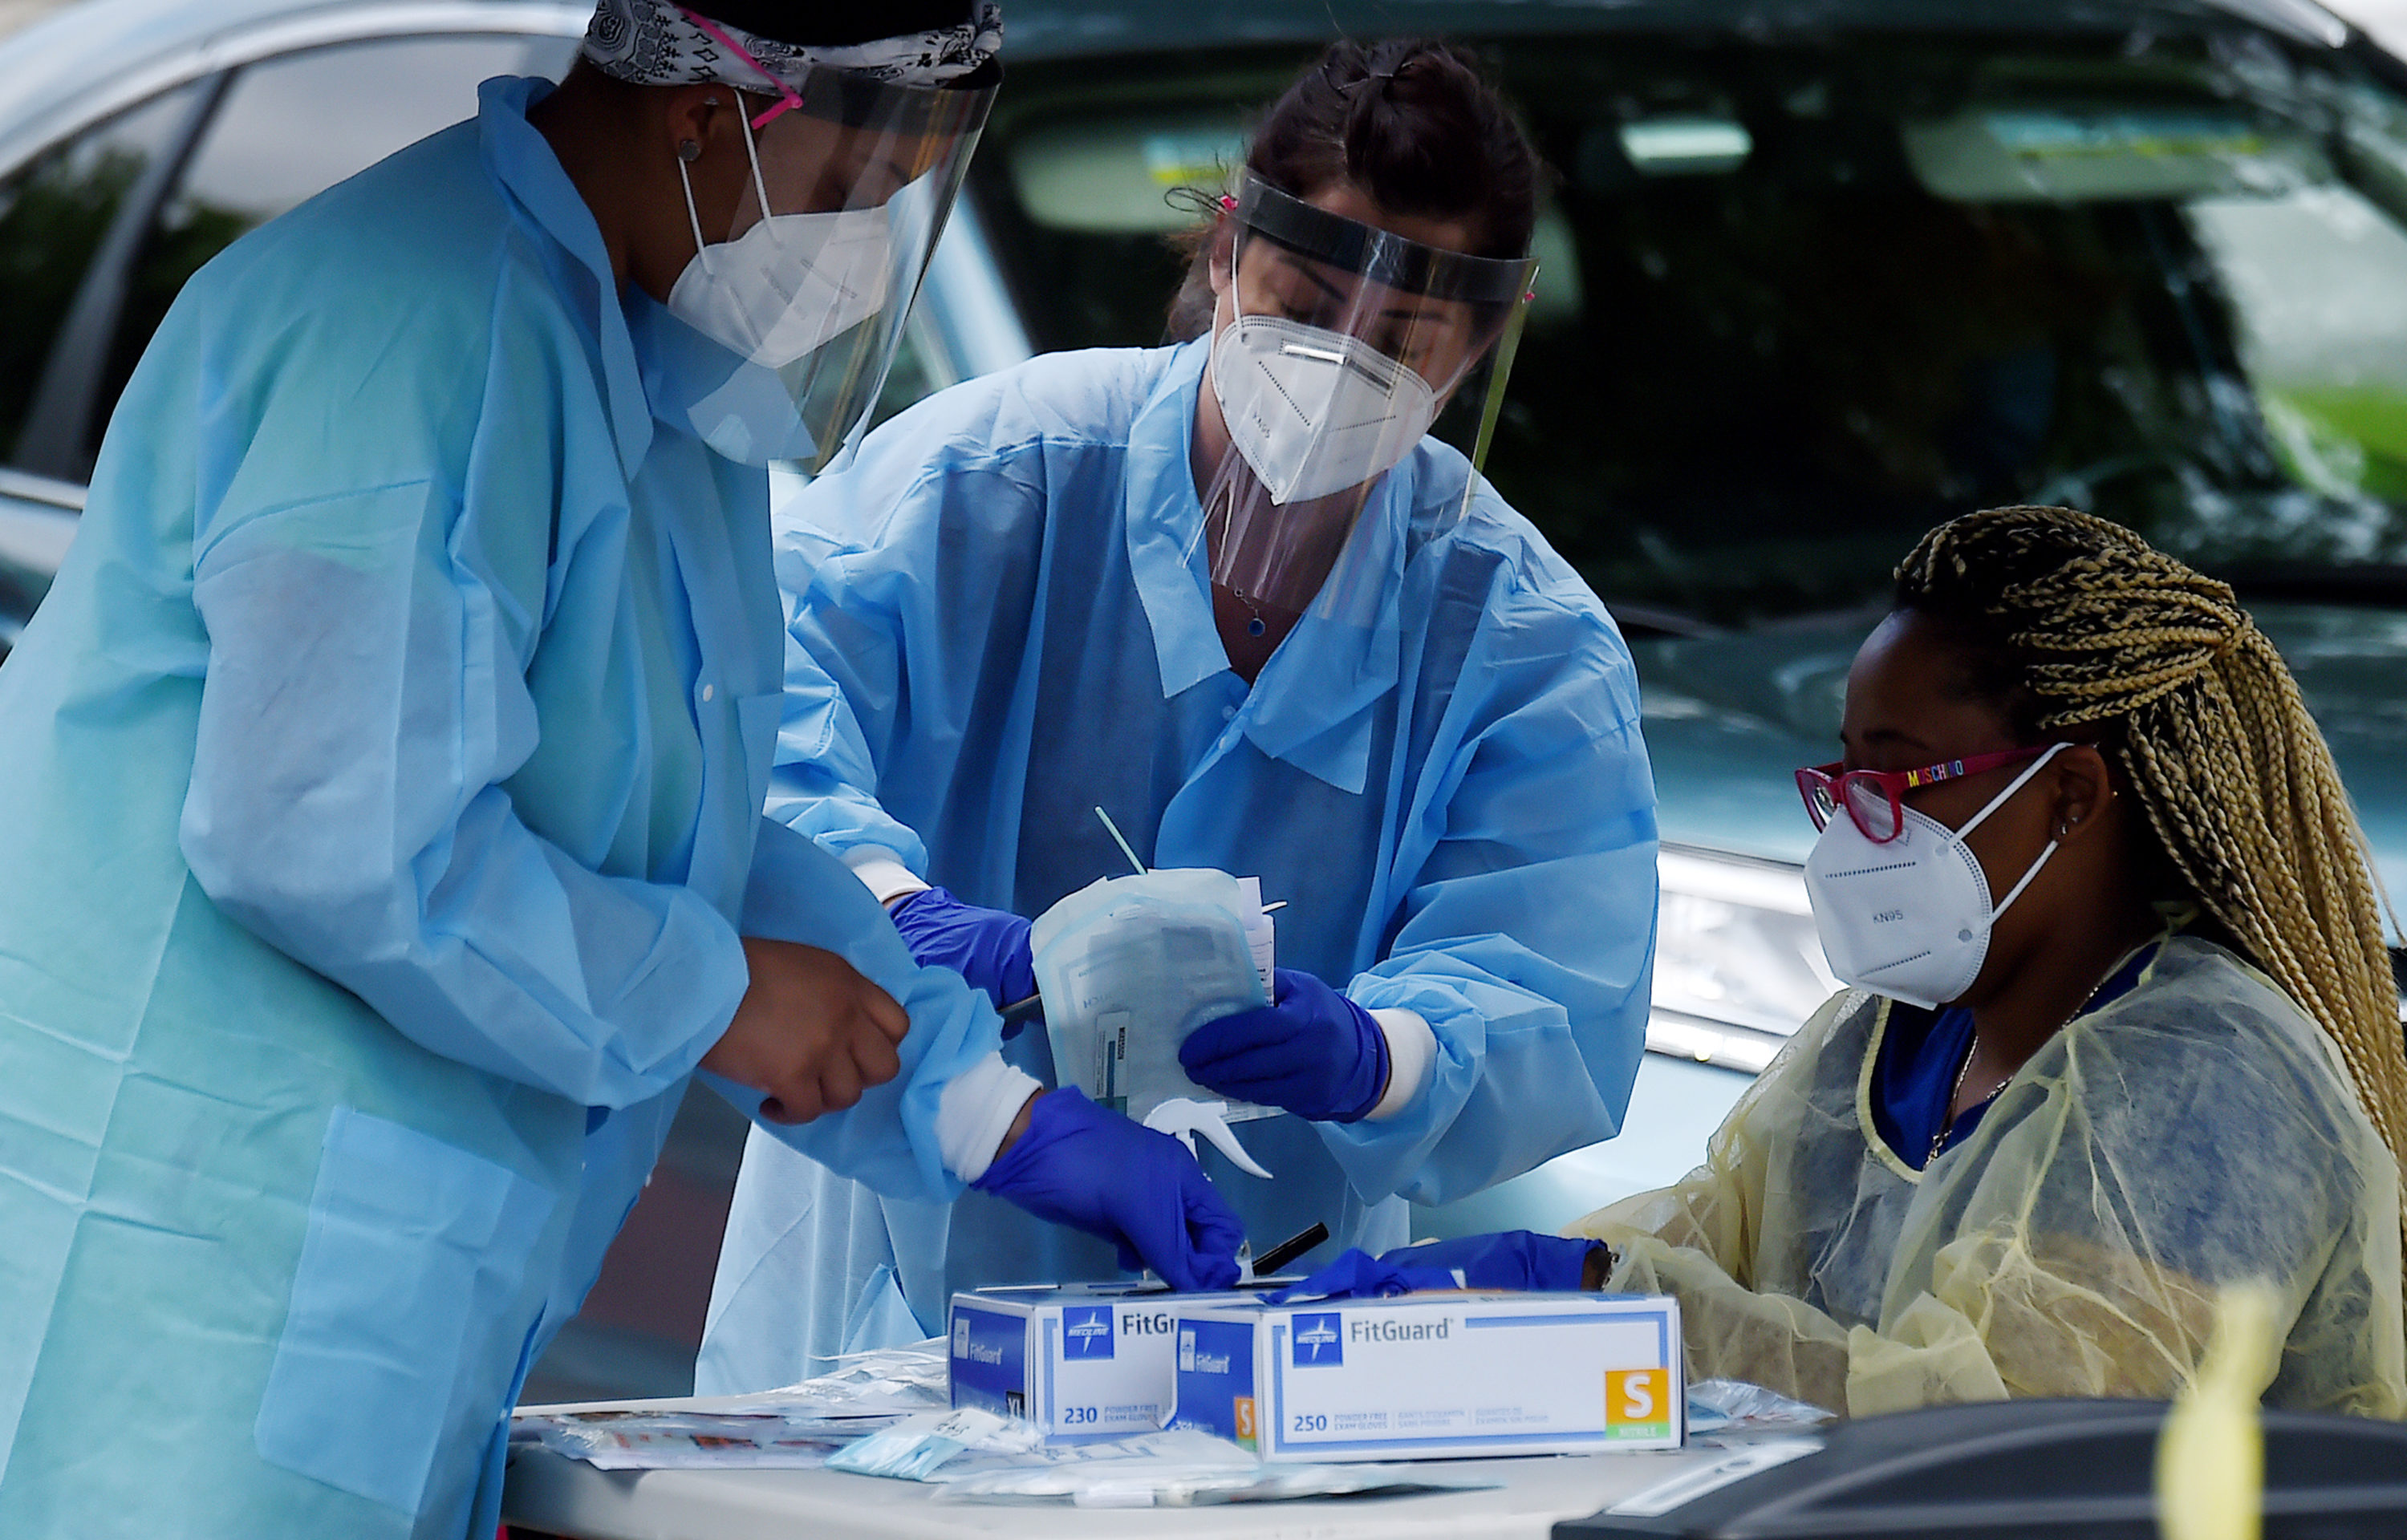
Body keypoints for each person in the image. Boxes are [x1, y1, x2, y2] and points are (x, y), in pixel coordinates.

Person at [0, 5, 1242, 1536]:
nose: (864, 248)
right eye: (857, 190)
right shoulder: (410, 322)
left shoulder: (662, 385)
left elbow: (682, 831)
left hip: (358, 1318)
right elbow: (328, 835)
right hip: (173, 1284)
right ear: (709, 117)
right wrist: (716, 992)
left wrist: (985, 1106)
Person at [696, 37, 1659, 1391]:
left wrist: (1378, 1057)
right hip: (896, 1288)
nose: (1339, 360)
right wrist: (890, 908)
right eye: (1304, 303)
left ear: (1486, 341)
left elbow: (1548, 985)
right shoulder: (987, 482)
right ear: (1226, 252)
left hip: (1267, 1324)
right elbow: (738, 730)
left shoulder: (1516, 640)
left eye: (1401, 342)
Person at [1569, 505, 2407, 1417]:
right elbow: (1706, 1239)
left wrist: (1652, 1320)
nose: (1852, 829)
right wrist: (1554, 1285)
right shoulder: (1894, 1037)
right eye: (1844, 783)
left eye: (1893, 783)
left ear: (2070, 795)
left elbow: (2009, 1429)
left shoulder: (2209, 1088)